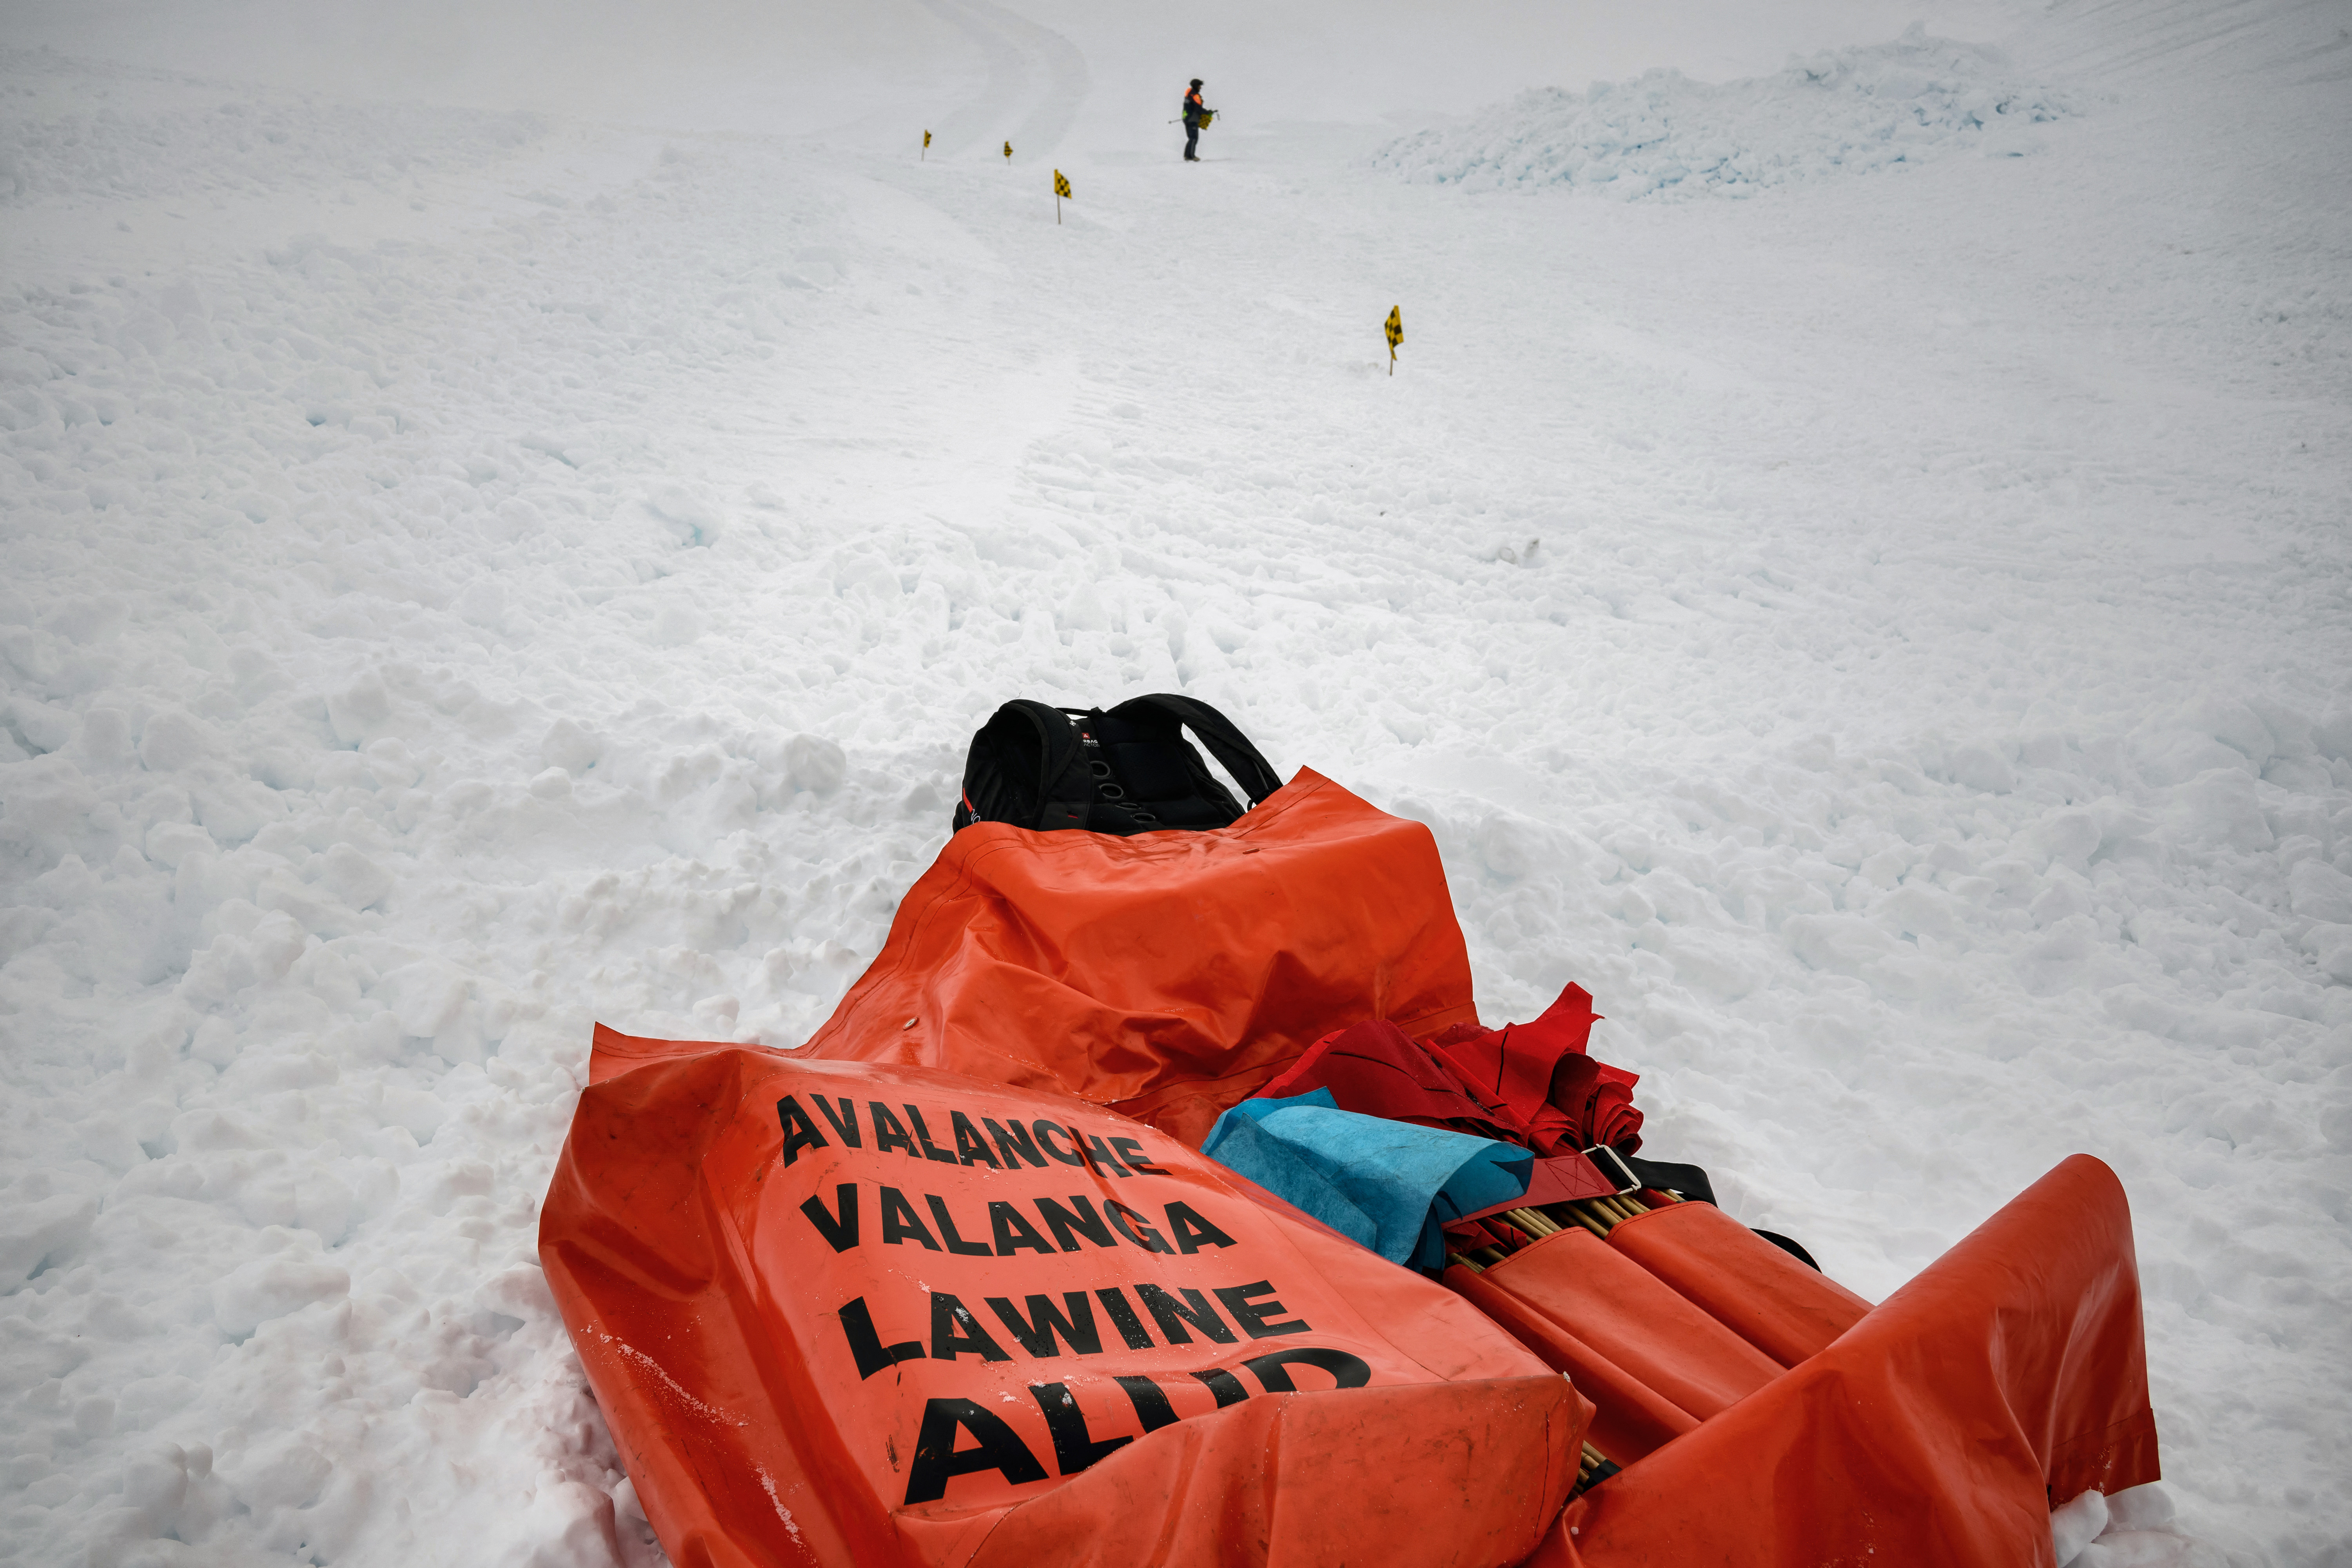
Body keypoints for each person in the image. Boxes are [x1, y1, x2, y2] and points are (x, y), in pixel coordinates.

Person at [1183, 79, 1206, 162]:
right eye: (1200, 86)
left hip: (1187, 118)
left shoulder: (1189, 94)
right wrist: (1207, 112)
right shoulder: (1195, 96)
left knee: (1191, 138)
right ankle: (1192, 156)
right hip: (1193, 119)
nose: (1200, 88)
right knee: (1194, 138)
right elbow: (1198, 108)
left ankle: (1187, 156)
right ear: (1196, 86)